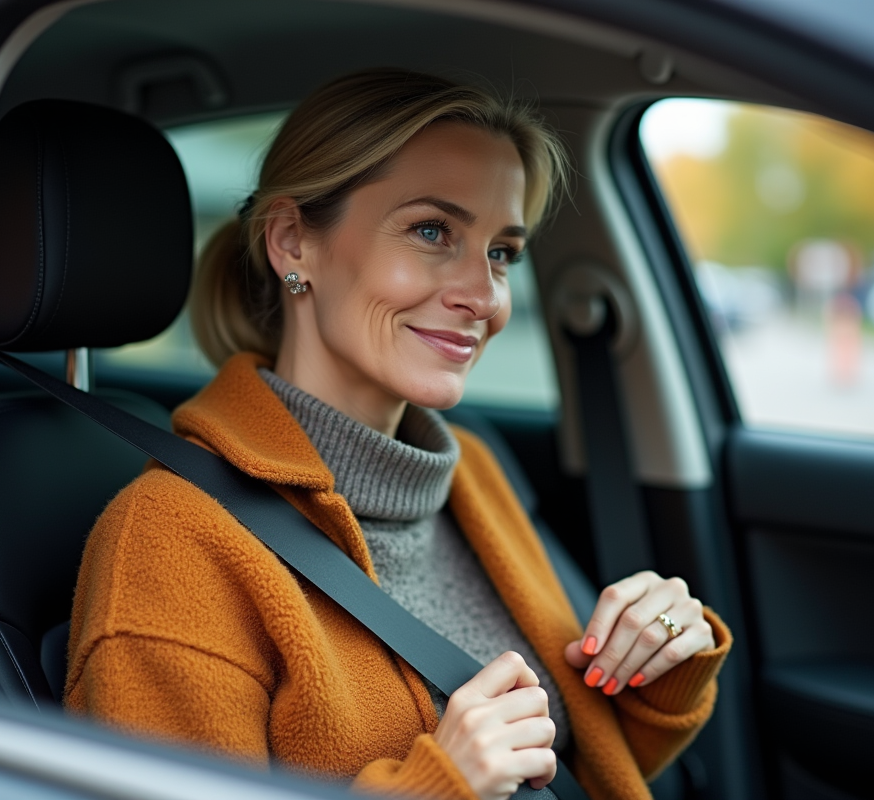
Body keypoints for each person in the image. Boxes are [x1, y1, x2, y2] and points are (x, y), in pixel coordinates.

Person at [66, 68, 731, 800]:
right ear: (293, 243)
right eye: (430, 231)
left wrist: (661, 663)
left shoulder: (467, 469)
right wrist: (439, 785)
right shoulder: (171, 541)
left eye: (502, 252)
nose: (483, 296)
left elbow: (573, 763)